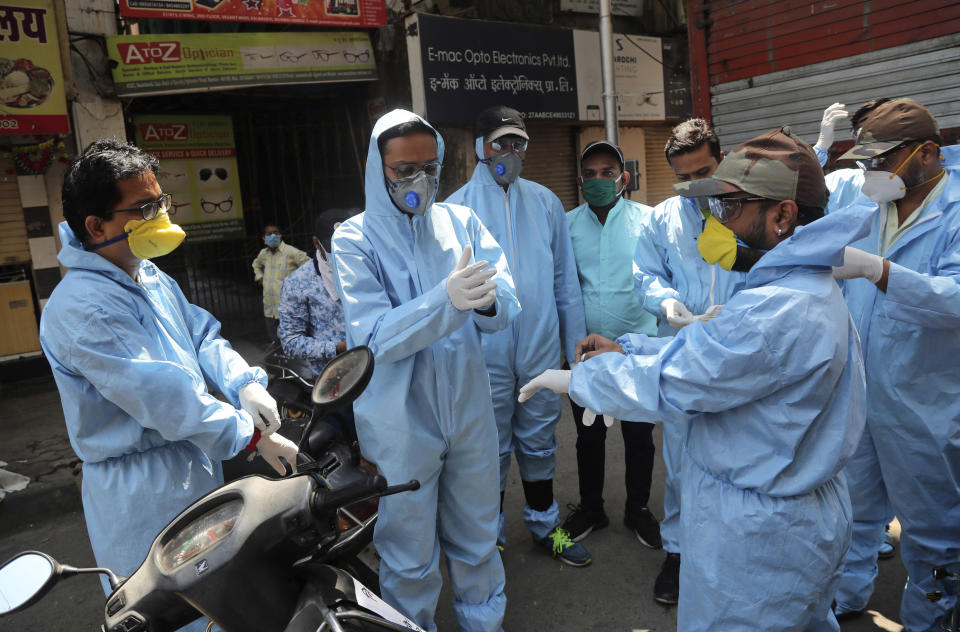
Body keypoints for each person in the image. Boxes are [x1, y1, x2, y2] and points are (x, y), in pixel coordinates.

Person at [520, 126, 873, 632]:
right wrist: (633, 345)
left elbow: (679, 381)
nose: (719, 220)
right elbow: (713, 357)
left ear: (783, 215)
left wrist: (578, 381)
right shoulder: (800, 286)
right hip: (789, 514)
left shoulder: (777, 308)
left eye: (731, 208)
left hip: (760, 536)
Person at [39, 139, 299, 630]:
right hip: (140, 489)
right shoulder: (81, 308)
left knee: (220, 602)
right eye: (143, 208)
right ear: (96, 226)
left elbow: (200, 334)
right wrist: (252, 436)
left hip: (192, 461)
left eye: (160, 202)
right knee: (174, 613)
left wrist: (243, 382)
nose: (158, 215)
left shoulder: (147, 275)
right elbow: (165, 398)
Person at [330, 109, 521, 632]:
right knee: (408, 557)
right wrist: (446, 300)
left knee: (478, 540)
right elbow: (372, 338)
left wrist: (485, 304)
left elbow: (506, 304)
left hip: (468, 410)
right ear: (378, 168)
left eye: (430, 167)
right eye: (403, 169)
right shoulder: (355, 239)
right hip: (399, 422)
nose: (420, 180)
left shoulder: (461, 222)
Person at [828, 97, 960, 629]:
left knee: (933, 531)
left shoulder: (954, 210)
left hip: (924, 404)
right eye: (866, 161)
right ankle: (849, 593)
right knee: (856, 510)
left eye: (882, 160)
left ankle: (931, 618)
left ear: (926, 153)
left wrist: (882, 271)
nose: (872, 172)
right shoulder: (873, 205)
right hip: (861, 393)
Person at [445, 105, 588, 566]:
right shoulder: (454, 211)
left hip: (541, 349)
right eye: (499, 142)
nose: (509, 151)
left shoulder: (546, 203)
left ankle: (546, 525)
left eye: (517, 142)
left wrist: (576, 353)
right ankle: (492, 536)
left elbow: (565, 284)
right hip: (483, 353)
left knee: (541, 439)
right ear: (479, 149)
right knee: (489, 447)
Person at [631, 118, 744, 604]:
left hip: (741, 355)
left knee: (740, 458)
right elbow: (645, 273)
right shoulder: (662, 219)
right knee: (679, 463)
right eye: (684, 177)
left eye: (704, 171)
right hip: (681, 352)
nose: (696, 185)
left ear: (721, 158)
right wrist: (666, 303)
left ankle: (735, 552)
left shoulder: (746, 207)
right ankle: (678, 554)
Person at [560, 140, 661, 550]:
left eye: (607, 172)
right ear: (580, 180)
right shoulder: (566, 225)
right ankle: (591, 508)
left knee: (639, 436)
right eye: (590, 173)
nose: (598, 180)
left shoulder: (648, 221)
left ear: (625, 178)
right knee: (589, 436)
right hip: (585, 354)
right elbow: (562, 285)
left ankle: (638, 508)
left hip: (636, 350)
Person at [278, 215, 348, 377]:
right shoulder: (298, 283)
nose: (343, 253)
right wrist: (337, 348)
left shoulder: (372, 269)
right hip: (334, 381)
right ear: (317, 243)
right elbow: (291, 341)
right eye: (334, 247)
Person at [252, 223, 309, 342]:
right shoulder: (264, 253)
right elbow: (256, 264)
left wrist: (301, 286)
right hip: (270, 306)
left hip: (287, 306)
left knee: (289, 339)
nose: (273, 236)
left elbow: (309, 266)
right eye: (269, 234)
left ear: (281, 235)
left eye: (276, 233)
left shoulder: (291, 252)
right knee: (274, 338)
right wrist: (259, 277)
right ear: (264, 237)